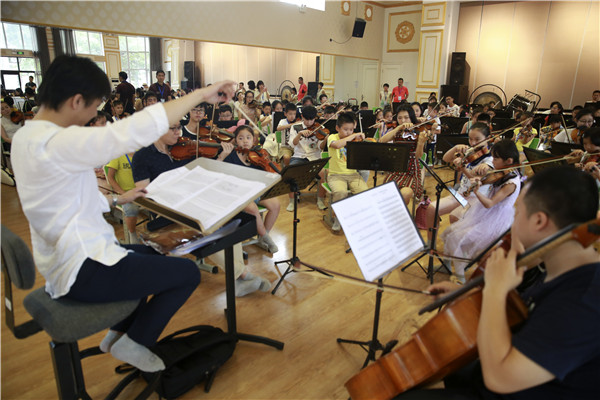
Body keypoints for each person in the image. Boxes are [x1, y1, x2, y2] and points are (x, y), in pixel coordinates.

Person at [10, 55, 236, 373]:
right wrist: (201, 94)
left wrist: (118, 201)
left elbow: (65, 200)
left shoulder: (25, 136)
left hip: (64, 256)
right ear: (76, 100)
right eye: (93, 109)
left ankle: (117, 334)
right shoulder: (56, 142)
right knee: (187, 274)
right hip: (82, 266)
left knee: (152, 254)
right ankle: (136, 342)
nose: (93, 117)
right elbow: (130, 132)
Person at [400, 166, 599, 400]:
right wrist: (472, 293)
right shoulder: (556, 265)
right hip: (502, 371)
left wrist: (495, 290)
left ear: (538, 221)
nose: (513, 220)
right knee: (450, 365)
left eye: (517, 213)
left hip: (508, 387)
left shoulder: (584, 302)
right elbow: (526, 315)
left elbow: (500, 379)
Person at [132, 123, 271, 296]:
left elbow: (202, 173)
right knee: (208, 230)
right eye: (173, 128)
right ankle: (243, 276)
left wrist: (221, 158)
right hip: (167, 209)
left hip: (194, 201)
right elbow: (144, 194)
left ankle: (238, 280)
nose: (178, 132)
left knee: (229, 221)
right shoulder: (143, 156)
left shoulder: (180, 149)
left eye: (178, 128)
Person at [441, 139, 521, 283]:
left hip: (495, 219)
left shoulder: (511, 183)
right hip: (484, 214)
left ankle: (460, 277)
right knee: (448, 233)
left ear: (508, 160)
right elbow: (477, 178)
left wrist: (477, 191)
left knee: (456, 238)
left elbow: (490, 204)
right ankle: (447, 264)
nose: (493, 161)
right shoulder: (500, 172)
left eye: (496, 158)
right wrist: (463, 169)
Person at [425, 122, 494, 241]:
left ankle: (456, 248)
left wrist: (463, 168)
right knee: (431, 208)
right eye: (470, 139)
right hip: (461, 195)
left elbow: (474, 179)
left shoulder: (490, 160)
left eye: (477, 139)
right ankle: (431, 244)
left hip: (476, 199)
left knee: (455, 217)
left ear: (487, 139)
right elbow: (446, 158)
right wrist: (455, 148)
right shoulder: (471, 154)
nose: (472, 143)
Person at [217, 125, 280, 253]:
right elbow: (216, 171)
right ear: (235, 140)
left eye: (248, 138)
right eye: (241, 138)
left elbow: (266, 175)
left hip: (255, 191)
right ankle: (266, 238)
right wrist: (223, 155)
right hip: (238, 193)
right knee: (253, 209)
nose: (245, 141)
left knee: (276, 205)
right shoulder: (231, 155)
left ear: (253, 140)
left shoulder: (258, 155)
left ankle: (263, 236)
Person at [327, 112, 370, 231]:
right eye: (346, 129)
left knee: (364, 192)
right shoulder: (332, 137)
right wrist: (353, 135)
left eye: (351, 129)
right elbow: (337, 145)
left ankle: (357, 216)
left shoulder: (354, 140)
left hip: (353, 174)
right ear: (337, 128)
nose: (349, 132)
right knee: (341, 192)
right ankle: (338, 219)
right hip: (335, 175)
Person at [380, 104, 428, 204]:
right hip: (396, 170)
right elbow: (381, 141)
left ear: (411, 118)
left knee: (404, 194)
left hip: (412, 172)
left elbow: (419, 156)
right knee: (386, 193)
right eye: (400, 118)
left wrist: (421, 143)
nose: (403, 121)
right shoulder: (396, 132)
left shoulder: (418, 132)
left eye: (406, 118)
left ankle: (400, 216)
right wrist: (398, 128)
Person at [287, 105, 327, 211]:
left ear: (315, 118)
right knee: (291, 171)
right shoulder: (295, 127)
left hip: (314, 157)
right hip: (299, 156)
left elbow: (320, 147)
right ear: (302, 117)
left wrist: (326, 139)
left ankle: (320, 199)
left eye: (312, 119)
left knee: (323, 173)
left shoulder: (320, 128)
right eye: (307, 119)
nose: (309, 122)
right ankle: (292, 201)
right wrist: (300, 134)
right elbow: (292, 144)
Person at [106, 150, 141, 244]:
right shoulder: (118, 155)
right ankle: (132, 234)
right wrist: (123, 193)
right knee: (131, 209)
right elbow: (110, 178)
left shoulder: (141, 152)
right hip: (126, 192)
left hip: (142, 189)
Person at [276, 102, 298, 167]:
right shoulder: (283, 121)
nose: (292, 116)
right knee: (287, 157)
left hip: (296, 148)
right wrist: (291, 125)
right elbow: (278, 128)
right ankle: (287, 169)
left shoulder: (297, 122)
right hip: (285, 147)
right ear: (285, 114)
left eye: (294, 114)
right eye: (290, 114)